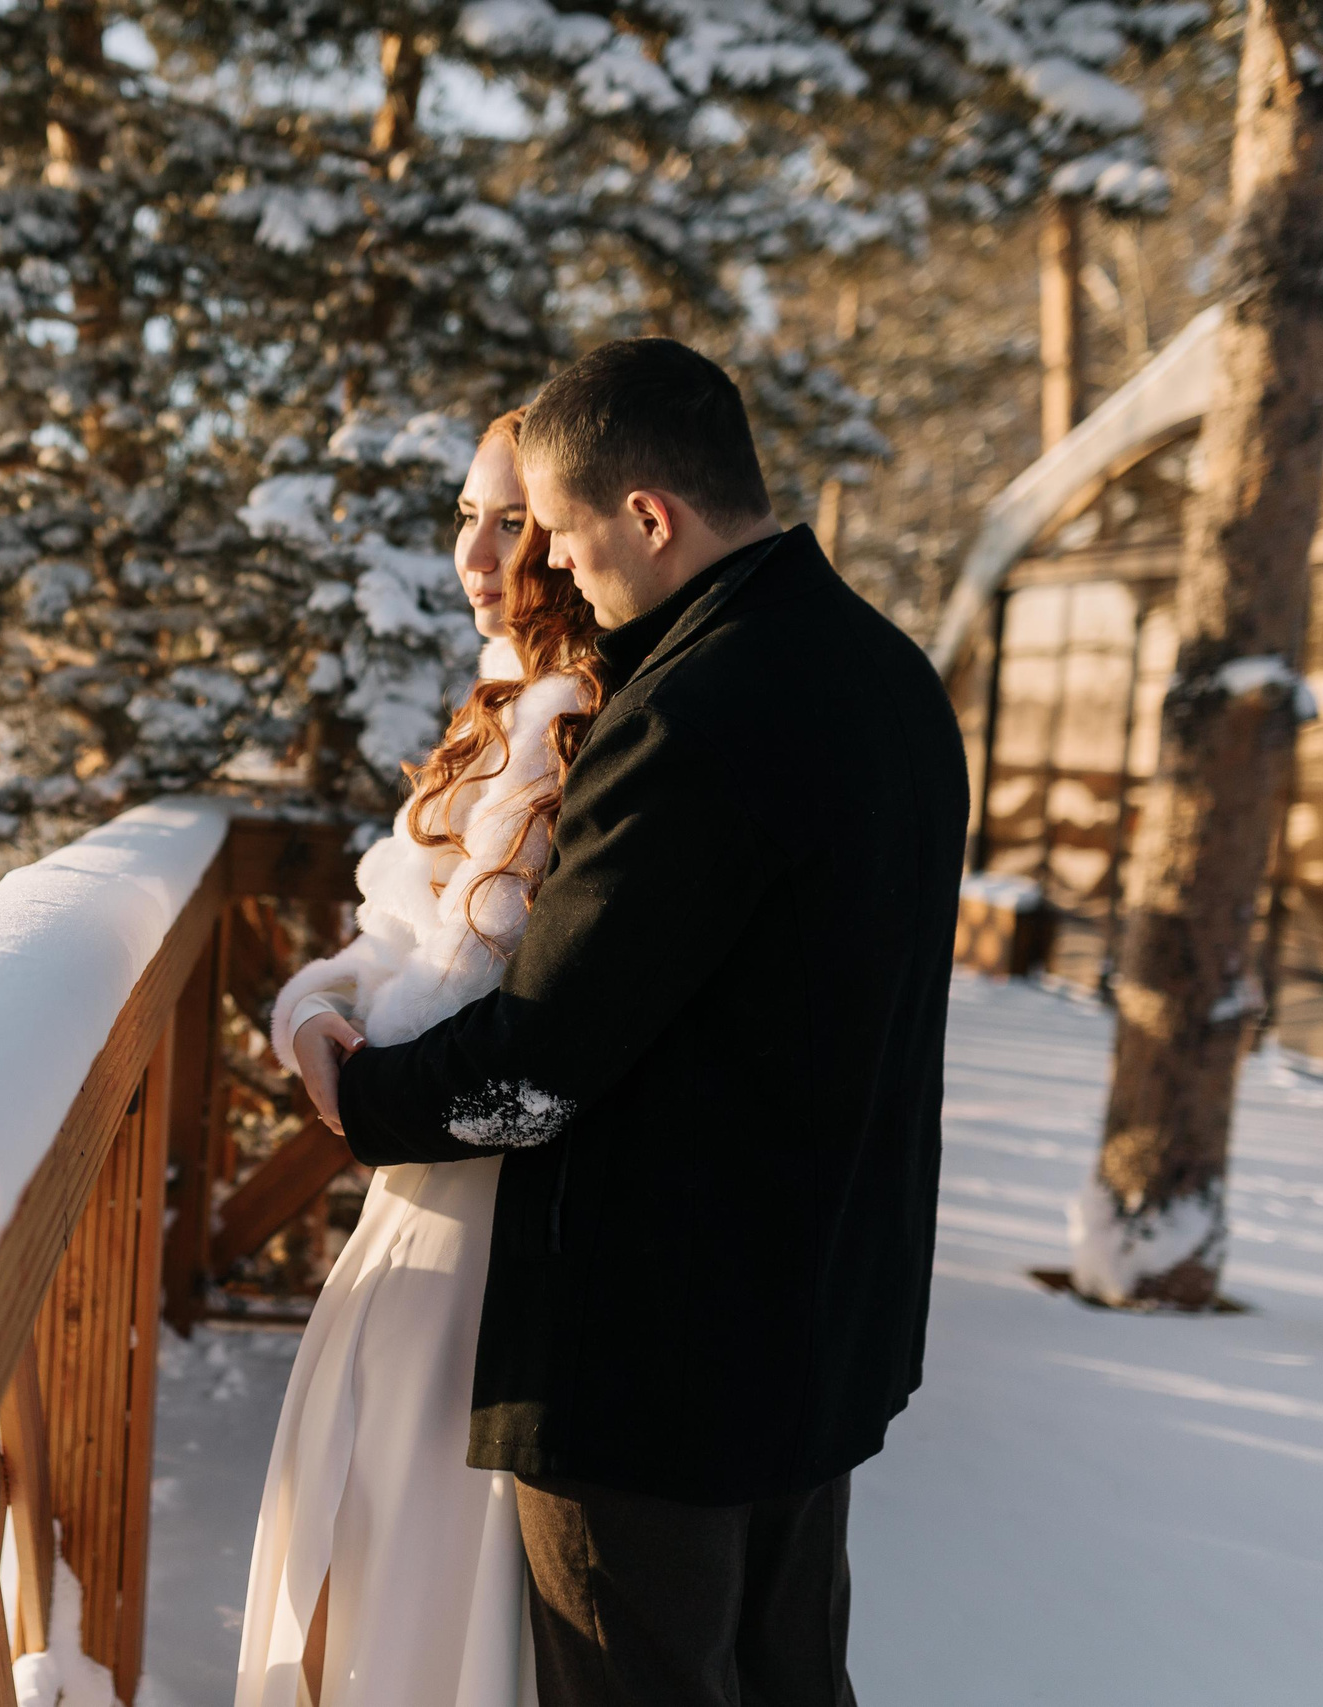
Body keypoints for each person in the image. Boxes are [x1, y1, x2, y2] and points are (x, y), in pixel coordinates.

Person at [299, 338, 968, 1707]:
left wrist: (359, 1103)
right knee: (786, 1680)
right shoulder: (891, 674)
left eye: (565, 537)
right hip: (817, 1320)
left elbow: (543, 1065)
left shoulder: (699, 711)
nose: (558, 574)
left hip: (660, 1354)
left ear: (651, 515)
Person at [234, 405, 601, 1707]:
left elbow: (469, 969)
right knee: (362, 1495)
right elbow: (396, 922)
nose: (479, 551)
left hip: (473, 1196)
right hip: (415, 1167)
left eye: (514, 521)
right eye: (465, 517)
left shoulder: (569, 712)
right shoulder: (500, 693)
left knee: (409, 1522)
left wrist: (361, 1053)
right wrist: (316, 1008)